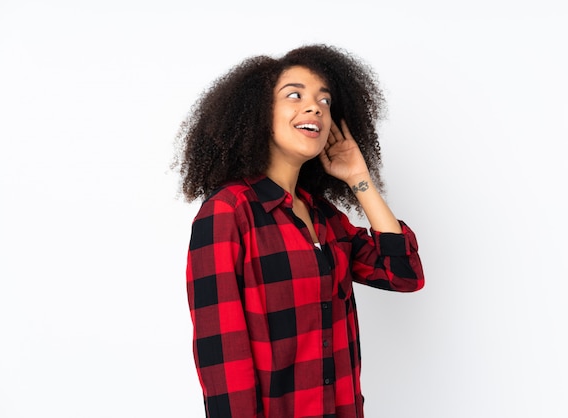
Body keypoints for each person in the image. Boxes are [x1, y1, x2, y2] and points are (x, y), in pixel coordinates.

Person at [173, 44, 425, 418]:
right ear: (258, 113)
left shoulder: (323, 215)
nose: (315, 107)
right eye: (295, 95)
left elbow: (403, 274)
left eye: (324, 100)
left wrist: (360, 178)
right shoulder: (228, 212)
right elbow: (221, 358)